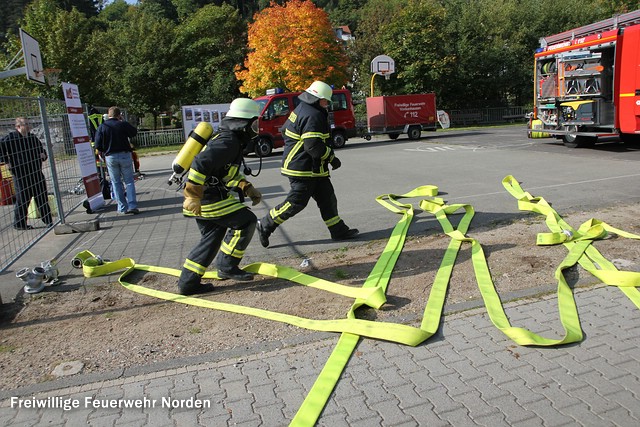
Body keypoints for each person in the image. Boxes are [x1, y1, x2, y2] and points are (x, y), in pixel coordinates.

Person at [255, 81, 358, 247]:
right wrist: (332, 157)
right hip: (303, 168)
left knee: (327, 198)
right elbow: (313, 146)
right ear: (318, 99)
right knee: (296, 202)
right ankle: (265, 224)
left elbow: (285, 130)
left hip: (313, 168)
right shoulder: (313, 115)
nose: (328, 104)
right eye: (326, 100)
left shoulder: (303, 109)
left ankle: (338, 230)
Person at [177, 98, 264, 295]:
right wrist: (192, 195)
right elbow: (200, 163)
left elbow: (226, 173)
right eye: (254, 124)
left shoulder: (228, 139)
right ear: (244, 123)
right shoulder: (229, 141)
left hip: (205, 197)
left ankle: (188, 282)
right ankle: (227, 266)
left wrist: (246, 186)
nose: (256, 129)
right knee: (246, 221)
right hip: (206, 198)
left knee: (211, 238)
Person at [0, 117, 53, 230]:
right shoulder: (11, 138)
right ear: (18, 126)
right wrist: (6, 161)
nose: (29, 126)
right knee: (23, 199)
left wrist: (43, 155)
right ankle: (19, 224)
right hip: (21, 174)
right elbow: (1, 149)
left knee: (42, 196)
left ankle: (48, 221)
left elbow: (41, 150)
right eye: (26, 124)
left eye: (29, 124)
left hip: (36, 172)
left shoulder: (32, 138)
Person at [94, 106, 140, 214]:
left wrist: (103, 151)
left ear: (108, 115)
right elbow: (133, 132)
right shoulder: (122, 124)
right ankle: (132, 205)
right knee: (129, 181)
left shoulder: (102, 126)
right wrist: (123, 121)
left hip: (111, 156)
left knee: (116, 182)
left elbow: (97, 144)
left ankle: (122, 207)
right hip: (124, 154)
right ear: (119, 115)